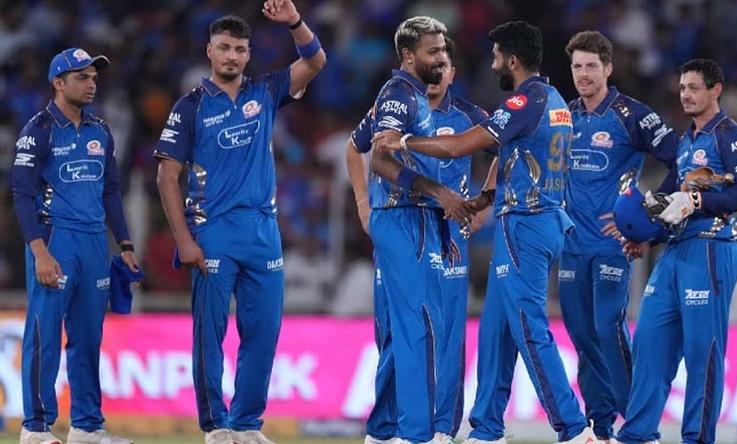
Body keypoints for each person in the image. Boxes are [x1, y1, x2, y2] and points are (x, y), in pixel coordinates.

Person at [373, 21, 596, 444]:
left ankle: (574, 428)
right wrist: (488, 197)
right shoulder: (554, 100)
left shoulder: (524, 100)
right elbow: (518, 155)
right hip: (537, 220)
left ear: (512, 60)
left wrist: (403, 142)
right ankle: (488, 428)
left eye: (495, 57)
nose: (491, 64)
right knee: (496, 329)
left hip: (526, 225)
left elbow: (459, 146)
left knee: (529, 327)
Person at [152, 3, 326, 443]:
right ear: (209, 51)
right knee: (209, 334)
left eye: (240, 49)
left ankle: (247, 425)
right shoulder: (190, 107)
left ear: (249, 55)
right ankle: (215, 426)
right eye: (224, 47)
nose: (232, 56)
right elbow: (166, 176)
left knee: (263, 333)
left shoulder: (264, 91)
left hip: (264, 231)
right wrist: (184, 240)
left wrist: (294, 22)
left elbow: (315, 62)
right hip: (213, 230)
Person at [346, 37, 492, 444]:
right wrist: (363, 205)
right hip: (400, 224)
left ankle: (442, 428)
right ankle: (385, 429)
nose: (437, 70)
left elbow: (506, 145)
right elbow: (354, 149)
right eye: (433, 60)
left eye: (444, 64)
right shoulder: (395, 107)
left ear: (452, 73)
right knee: (394, 331)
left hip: (448, 231)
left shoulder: (469, 115)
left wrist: (486, 199)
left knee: (445, 332)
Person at [615, 59, 737, 444]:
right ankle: (637, 435)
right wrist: (647, 236)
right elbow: (670, 200)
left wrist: (698, 201)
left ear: (716, 90)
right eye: (682, 88)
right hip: (676, 252)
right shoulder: (686, 141)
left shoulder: (730, 135)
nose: (686, 95)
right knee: (648, 343)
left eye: (694, 88)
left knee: (703, 352)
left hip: (712, 249)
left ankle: (697, 438)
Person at [11, 47, 140, 444]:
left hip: (94, 243)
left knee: (88, 337)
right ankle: (35, 429)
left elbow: (111, 190)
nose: (91, 84)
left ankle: (86, 427)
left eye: (94, 77)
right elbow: (21, 193)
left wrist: (125, 243)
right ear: (58, 82)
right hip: (56, 239)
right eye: (82, 77)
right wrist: (40, 251)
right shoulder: (38, 130)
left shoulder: (101, 131)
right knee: (45, 335)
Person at [558, 30, 678, 442]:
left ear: (608, 68)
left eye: (592, 66)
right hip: (572, 246)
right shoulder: (564, 115)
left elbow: (679, 158)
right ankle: (600, 426)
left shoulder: (632, 114)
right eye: (577, 66)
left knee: (607, 328)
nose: (584, 74)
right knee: (582, 335)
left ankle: (640, 427)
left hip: (613, 244)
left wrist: (646, 214)